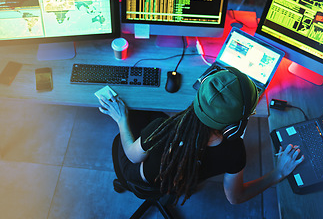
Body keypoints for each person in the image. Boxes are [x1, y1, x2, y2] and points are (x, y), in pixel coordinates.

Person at [98, 68, 304, 206]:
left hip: (138, 175)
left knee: (137, 118)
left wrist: (121, 119)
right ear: (236, 124)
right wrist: (278, 173)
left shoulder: (162, 129)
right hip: (180, 179)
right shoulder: (234, 152)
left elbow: (133, 157)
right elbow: (235, 197)